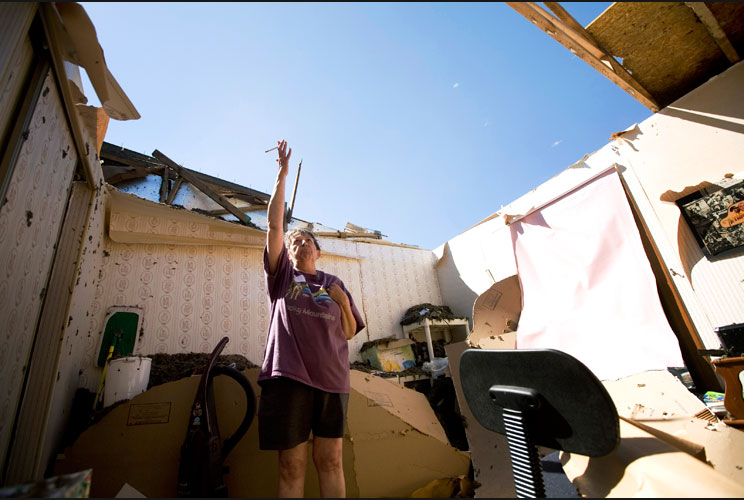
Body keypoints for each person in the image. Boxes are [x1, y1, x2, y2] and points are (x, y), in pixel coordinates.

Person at [258, 139, 365, 498]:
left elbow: (349, 332)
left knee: (330, 461)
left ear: (318, 250)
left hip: (333, 381)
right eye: (295, 241)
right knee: (291, 465)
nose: (301, 243)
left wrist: (344, 305)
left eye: (307, 240)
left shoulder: (335, 284)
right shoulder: (283, 277)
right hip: (289, 377)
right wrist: (281, 175)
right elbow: (274, 226)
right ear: (287, 251)